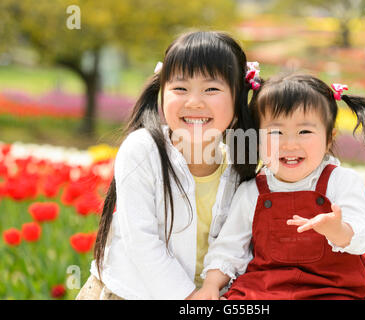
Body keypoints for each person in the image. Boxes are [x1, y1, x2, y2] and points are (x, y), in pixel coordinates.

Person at [75, 31, 259, 300]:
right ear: (162, 92)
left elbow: (237, 246)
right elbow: (142, 240)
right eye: (180, 88)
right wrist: (187, 297)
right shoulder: (144, 150)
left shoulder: (239, 168)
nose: (194, 101)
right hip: (131, 293)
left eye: (211, 89)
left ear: (238, 98)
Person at [193, 73, 365, 300]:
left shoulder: (341, 181)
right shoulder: (252, 191)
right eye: (275, 132)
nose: (290, 144)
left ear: (329, 139)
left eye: (304, 132)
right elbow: (229, 248)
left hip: (330, 289)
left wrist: (338, 230)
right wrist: (211, 287)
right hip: (264, 288)